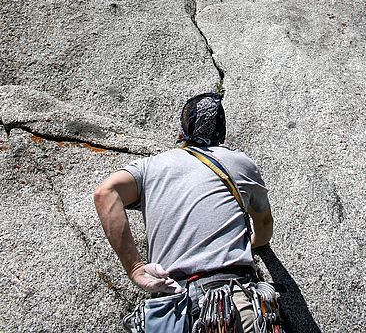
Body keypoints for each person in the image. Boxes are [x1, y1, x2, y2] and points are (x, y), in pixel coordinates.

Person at [93, 92, 274, 331]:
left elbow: (105, 193)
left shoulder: (150, 166)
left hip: (172, 309)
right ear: (221, 134)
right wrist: (252, 244)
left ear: (181, 132)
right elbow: (263, 227)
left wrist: (136, 269)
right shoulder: (239, 163)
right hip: (233, 299)